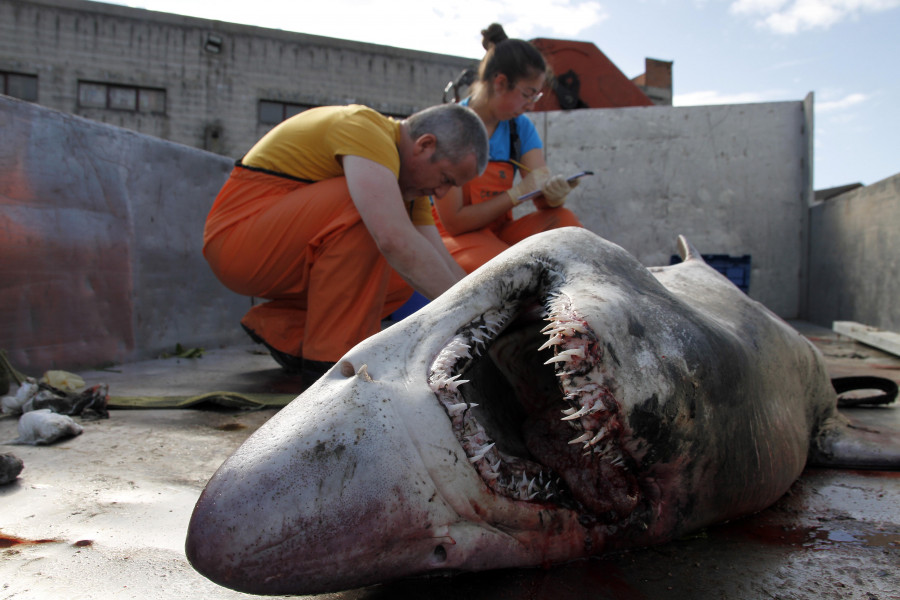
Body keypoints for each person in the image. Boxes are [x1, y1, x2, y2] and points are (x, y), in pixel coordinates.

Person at [202, 103, 488, 383]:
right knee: (373, 216)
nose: (441, 193)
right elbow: (393, 239)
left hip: (273, 248)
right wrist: (477, 316)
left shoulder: (408, 186)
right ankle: (331, 363)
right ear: (425, 144)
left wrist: (491, 310)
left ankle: (287, 333)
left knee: (406, 276)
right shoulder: (365, 128)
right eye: (446, 179)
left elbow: (438, 259)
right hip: (236, 240)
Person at [432, 24, 583, 273]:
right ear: (500, 83)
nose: (531, 105)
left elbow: (539, 194)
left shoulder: (519, 128)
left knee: (567, 228)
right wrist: (515, 194)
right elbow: (455, 223)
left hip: (498, 231)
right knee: (509, 275)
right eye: (527, 94)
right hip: (452, 236)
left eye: (535, 97)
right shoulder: (452, 126)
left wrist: (553, 195)